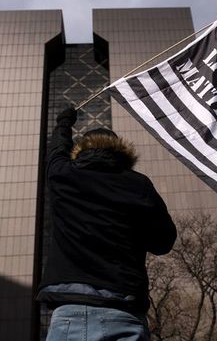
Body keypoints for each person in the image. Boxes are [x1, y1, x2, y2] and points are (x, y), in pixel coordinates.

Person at [37, 106, 177, 341]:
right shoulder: (138, 185)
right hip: (124, 312)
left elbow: (56, 152)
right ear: (122, 151)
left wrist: (64, 123)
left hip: (68, 315)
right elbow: (163, 242)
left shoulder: (62, 175)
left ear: (79, 150)